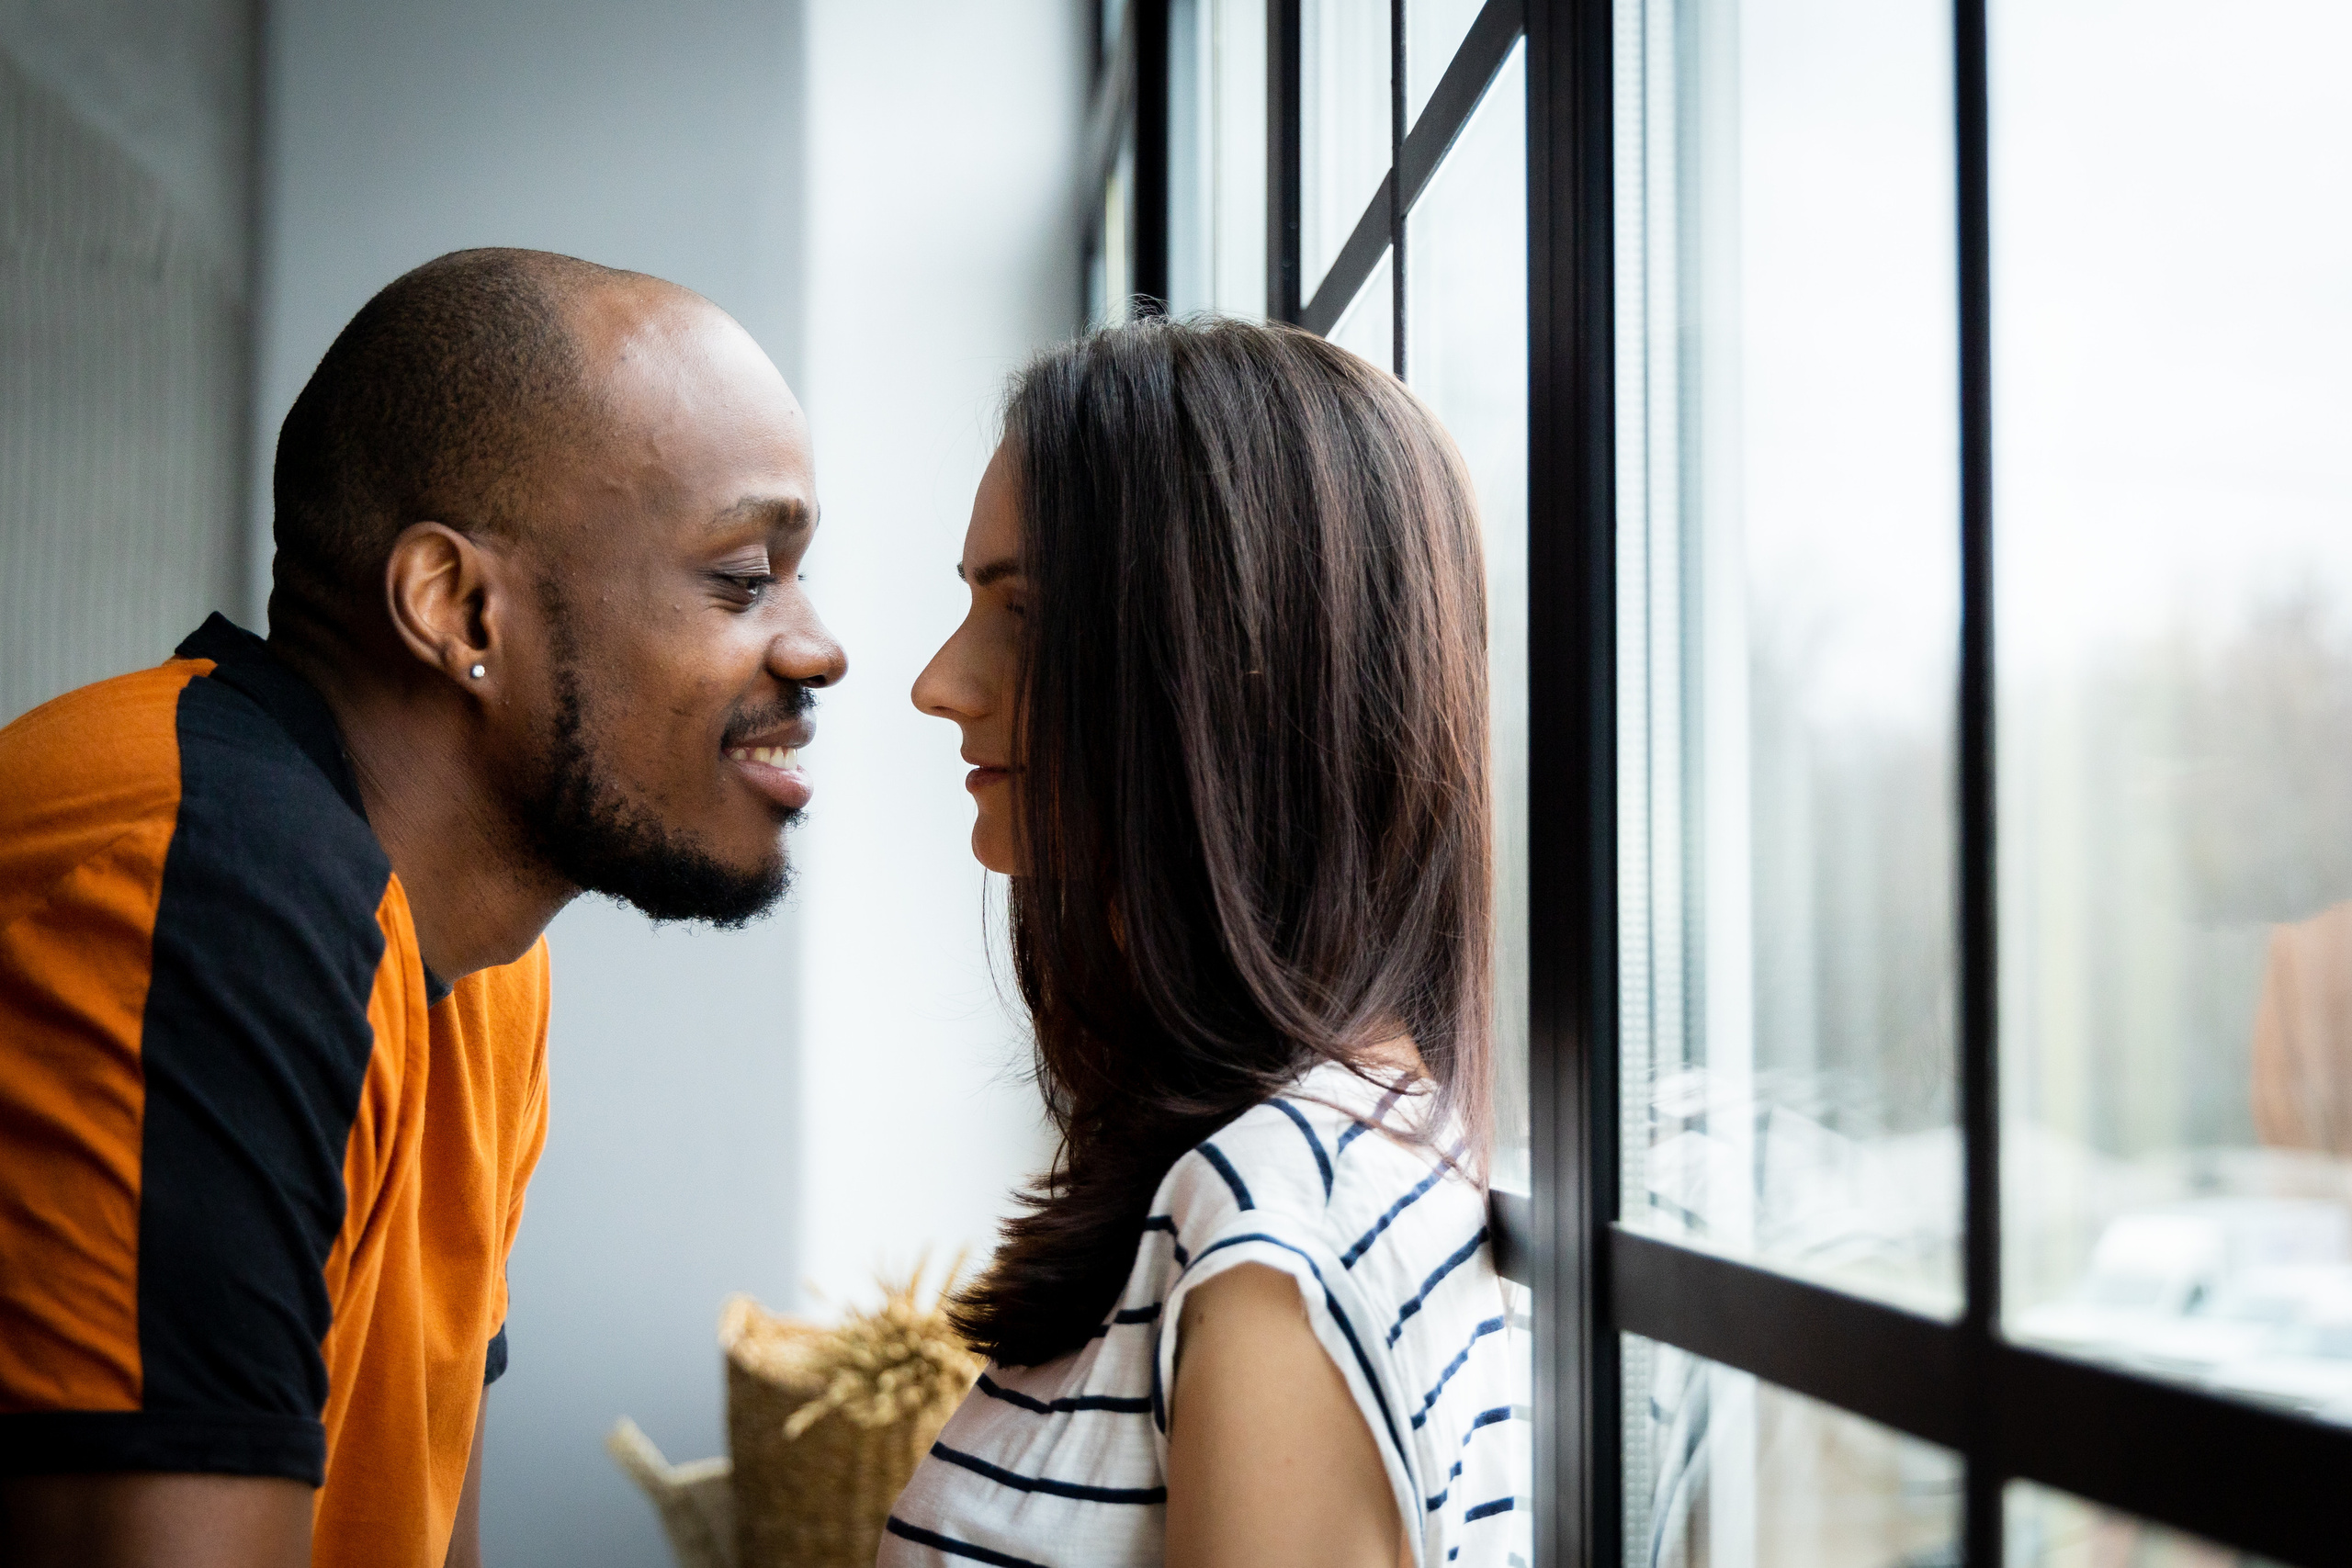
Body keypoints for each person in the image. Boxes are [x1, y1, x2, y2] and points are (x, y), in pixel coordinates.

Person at [0, 248, 845, 1567]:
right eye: (743, 578)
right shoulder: (205, 882)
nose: (817, 647)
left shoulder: (479, 958)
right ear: (459, 608)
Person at [899, 318, 1528, 1567]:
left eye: (1022, 613)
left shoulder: (1272, 1224)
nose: (940, 681)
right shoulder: (1309, 1158)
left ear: (1222, 661)